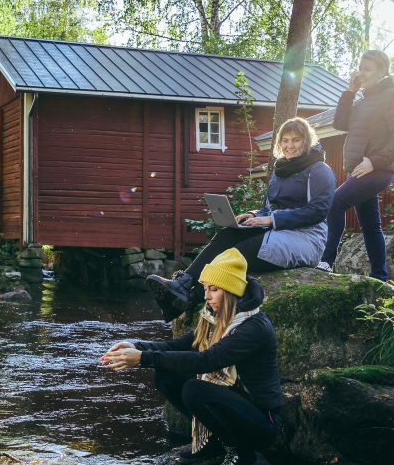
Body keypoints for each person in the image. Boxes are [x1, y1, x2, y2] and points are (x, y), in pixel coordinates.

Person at [100, 248, 281, 465]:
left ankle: (243, 454)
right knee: (164, 376)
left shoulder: (253, 327)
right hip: (235, 403)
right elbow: (180, 345)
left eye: (213, 290)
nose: (206, 296)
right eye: (205, 289)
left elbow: (206, 361)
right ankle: (216, 440)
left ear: (230, 291)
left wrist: (143, 358)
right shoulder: (213, 317)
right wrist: (137, 345)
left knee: (194, 389)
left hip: (261, 422)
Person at [144, 117, 336, 321]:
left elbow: (318, 212)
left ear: (307, 141)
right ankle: (182, 284)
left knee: (237, 255)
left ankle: (190, 298)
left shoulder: (320, 171)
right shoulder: (279, 171)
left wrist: (272, 220)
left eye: (296, 140)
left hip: (306, 238)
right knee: (227, 234)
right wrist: (253, 215)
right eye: (285, 140)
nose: (289, 146)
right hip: (277, 229)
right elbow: (267, 208)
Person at [315, 49, 394, 280]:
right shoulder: (364, 100)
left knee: (334, 203)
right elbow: (339, 123)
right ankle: (380, 276)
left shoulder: (391, 97)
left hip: (376, 169)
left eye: (367, 69)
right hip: (360, 170)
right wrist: (350, 93)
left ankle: (326, 262)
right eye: (360, 68)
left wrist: (373, 162)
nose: (361, 73)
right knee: (370, 225)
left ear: (382, 71)